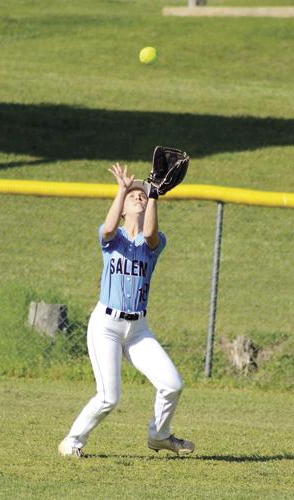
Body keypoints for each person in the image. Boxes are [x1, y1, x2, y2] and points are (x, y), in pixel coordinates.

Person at [58, 163, 195, 457]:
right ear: (122, 208)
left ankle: (159, 435)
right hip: (106, 325)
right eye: (134, 195)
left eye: (142, 197)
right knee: (109, 397)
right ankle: (72, 442)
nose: (139, 197)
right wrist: (121, 189)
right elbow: (107, 228)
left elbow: (150, 235)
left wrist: (155, 194)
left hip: (137, 330)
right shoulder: (112, 238)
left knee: (172, 385)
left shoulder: (154, 243)